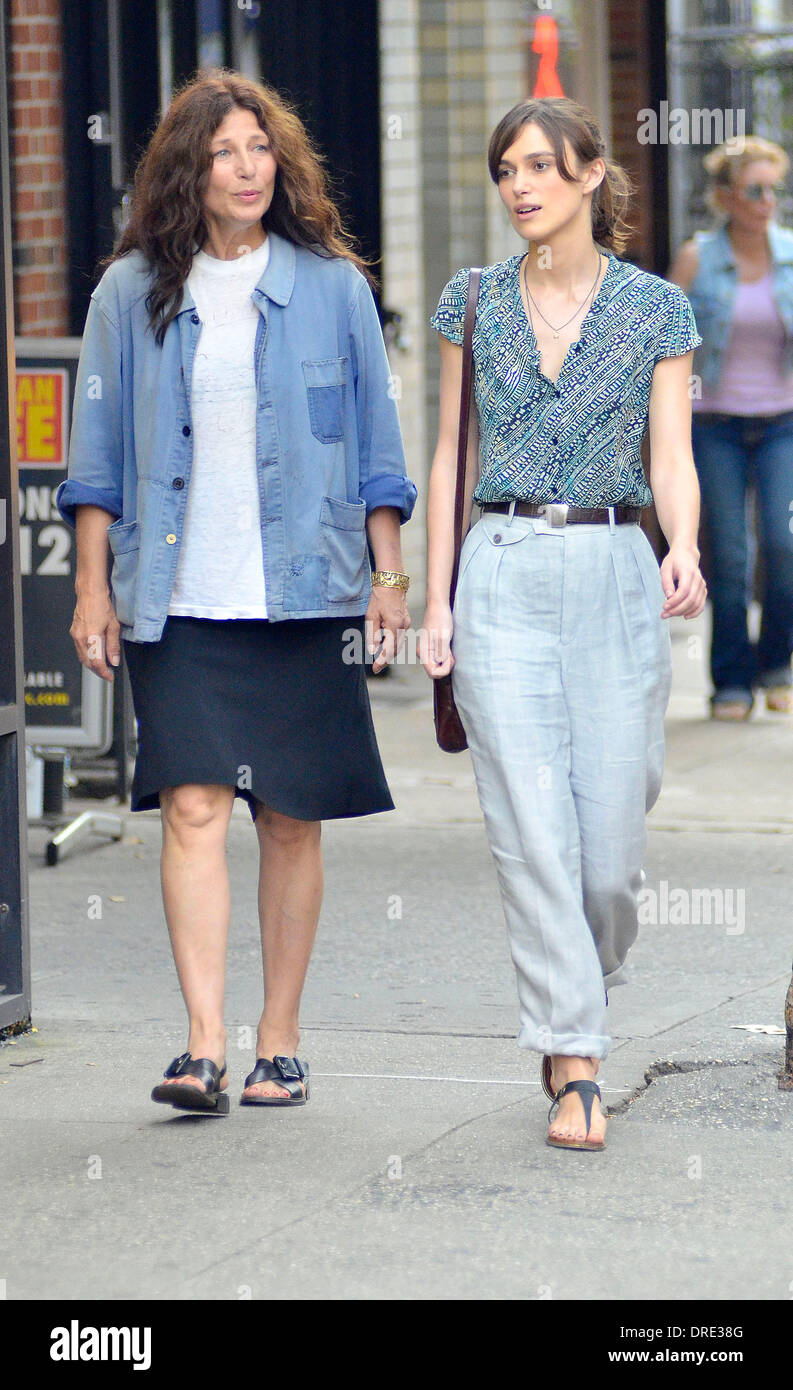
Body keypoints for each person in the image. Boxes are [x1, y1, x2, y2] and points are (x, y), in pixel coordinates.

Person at [56, 69, 416, 1114]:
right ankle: (203, 1044)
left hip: (303, 593)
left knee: (292, 817)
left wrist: (388, 579)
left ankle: (281, 1041)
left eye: (260, 148)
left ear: (281, 161)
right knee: (194, 805)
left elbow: (376, 451)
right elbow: (96, 460)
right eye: (223, 152)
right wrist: (92, 589)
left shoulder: (334, 286)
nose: (247, 167)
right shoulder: (129, 293)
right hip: (178, 595)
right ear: (187, 169)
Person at [421, 97, 706, 1153]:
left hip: (612, 564)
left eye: (541, 165)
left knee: (608, 849)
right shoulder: (474, 302)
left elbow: (670, 453)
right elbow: (452, 454)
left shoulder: (656, 310)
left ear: (591, 174)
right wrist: (438, 595)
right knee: (532, 833)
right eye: (505, 169)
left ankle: (577, 985)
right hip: (500, 563)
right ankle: (575, 1058)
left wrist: (681, 542)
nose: (520, 186)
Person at [669, 136, 793, 720]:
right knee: (730, 554)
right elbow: (663, 339)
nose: (767, 200)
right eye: (754, 190)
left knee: (783, 543)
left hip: (782, 425)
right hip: (714, 424)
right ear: (726, 197)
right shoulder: (697, 259)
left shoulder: (791, 253)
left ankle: (777, 666)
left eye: (774, 188)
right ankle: (732, 682)